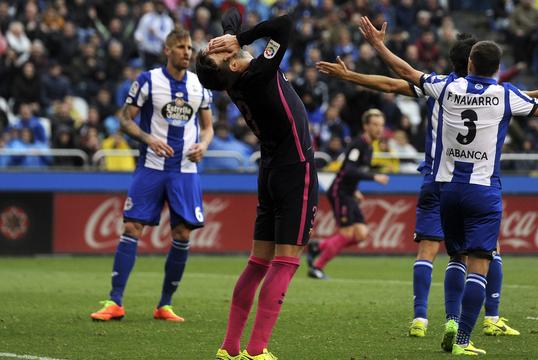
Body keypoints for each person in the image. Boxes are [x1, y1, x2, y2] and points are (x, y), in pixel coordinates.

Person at [361, 15, 538, 355]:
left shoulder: (447, 87)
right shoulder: (504, 94)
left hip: (448, 189)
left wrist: (379, 44)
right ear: (498, 68)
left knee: (456, 256)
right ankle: (465, 339)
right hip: (483, 191)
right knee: (480, 262)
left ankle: (449, 319)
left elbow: (406, 73)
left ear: (469, 63)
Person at [196, 9, 318, 360]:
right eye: (227, 52)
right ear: (234, 65)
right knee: (286, 262)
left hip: (268, 171)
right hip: (296, 170)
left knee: (258, 262)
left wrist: (232, 36)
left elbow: (229, 14)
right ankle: (257, 349)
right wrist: (241, 38)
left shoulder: (236, 79)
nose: (228, 48)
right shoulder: (260, 74)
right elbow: (285, 24)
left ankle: (229, 347)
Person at [89, 28, 214, 323]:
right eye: (181, 47)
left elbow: (207, 127)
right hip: (151, 168)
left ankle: (165, 305)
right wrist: (148, 139)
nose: (187, 52)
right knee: (132, 228)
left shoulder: (200, 85)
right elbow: (124, 120)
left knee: (182, 233)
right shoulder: (148, 81)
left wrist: (204, 145)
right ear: (167, 51)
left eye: (189, 48)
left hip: (185, 171)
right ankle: (115, 301)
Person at [306, 108, 390, 280]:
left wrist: (355, 190)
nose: (378, 129)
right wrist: (374, 176)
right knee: (347, 233)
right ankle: (317, 267)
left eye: (381, 125)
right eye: (374, 124)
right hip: (340, 192)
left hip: (349, 192)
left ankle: (318, 246)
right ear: (365, 126)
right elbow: (350, 169)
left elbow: (352, 171)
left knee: (361, 234)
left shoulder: (368, 147)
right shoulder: (358, 144)